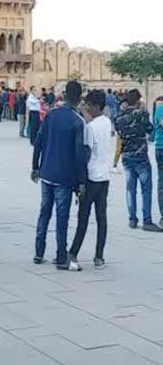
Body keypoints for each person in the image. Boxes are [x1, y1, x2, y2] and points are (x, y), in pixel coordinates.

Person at [31, 80, 86, 270]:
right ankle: (60, 255)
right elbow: (79, 154)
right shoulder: (78, 121)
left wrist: (35, 166)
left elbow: (38, 140)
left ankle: (39, 252)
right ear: (79, 98)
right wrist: (81, 181)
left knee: (44, 213)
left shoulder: (52, 115)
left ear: (63, 95)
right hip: (65, 176)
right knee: (62, 217)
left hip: (46, 172)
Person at [69, 90, 112, 270]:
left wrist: (78, 181)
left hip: (91, 177)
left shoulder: (90, 128)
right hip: (104, 176)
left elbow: (85, 153)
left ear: (95, 107)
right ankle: (99, 256)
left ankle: (73, 252)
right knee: (101, 218)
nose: (86, 108)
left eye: (88, 106)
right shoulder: (107, 122)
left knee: (83, 218)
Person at [116, 89, 161, 231]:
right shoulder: (141, 115)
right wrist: (143, 111)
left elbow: (119, 132)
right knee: (146, 188)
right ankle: (147, 220)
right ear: (137, 101)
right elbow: (150, 130)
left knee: (130, 189)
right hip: (140, 156)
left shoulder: (119, 117)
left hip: (126, 157)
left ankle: (133, 219)